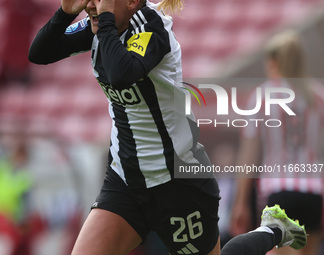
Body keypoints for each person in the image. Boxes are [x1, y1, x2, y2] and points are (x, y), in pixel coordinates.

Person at [28, 1, 307, 254]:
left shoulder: (151, 28)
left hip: (177, 183)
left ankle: (272, 230)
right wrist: (65, 13)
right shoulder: (102, 24)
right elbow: (39, 53)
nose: (91, 5)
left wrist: (106, 20)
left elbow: (121, 74)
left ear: (131, 2)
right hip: (126, 181)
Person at [231, 30, 323, 255]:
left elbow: (249, 156)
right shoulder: (317, 96)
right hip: (313, 193)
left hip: (278, 192)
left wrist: (240, 202)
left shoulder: (262, 95)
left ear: (273, 61)